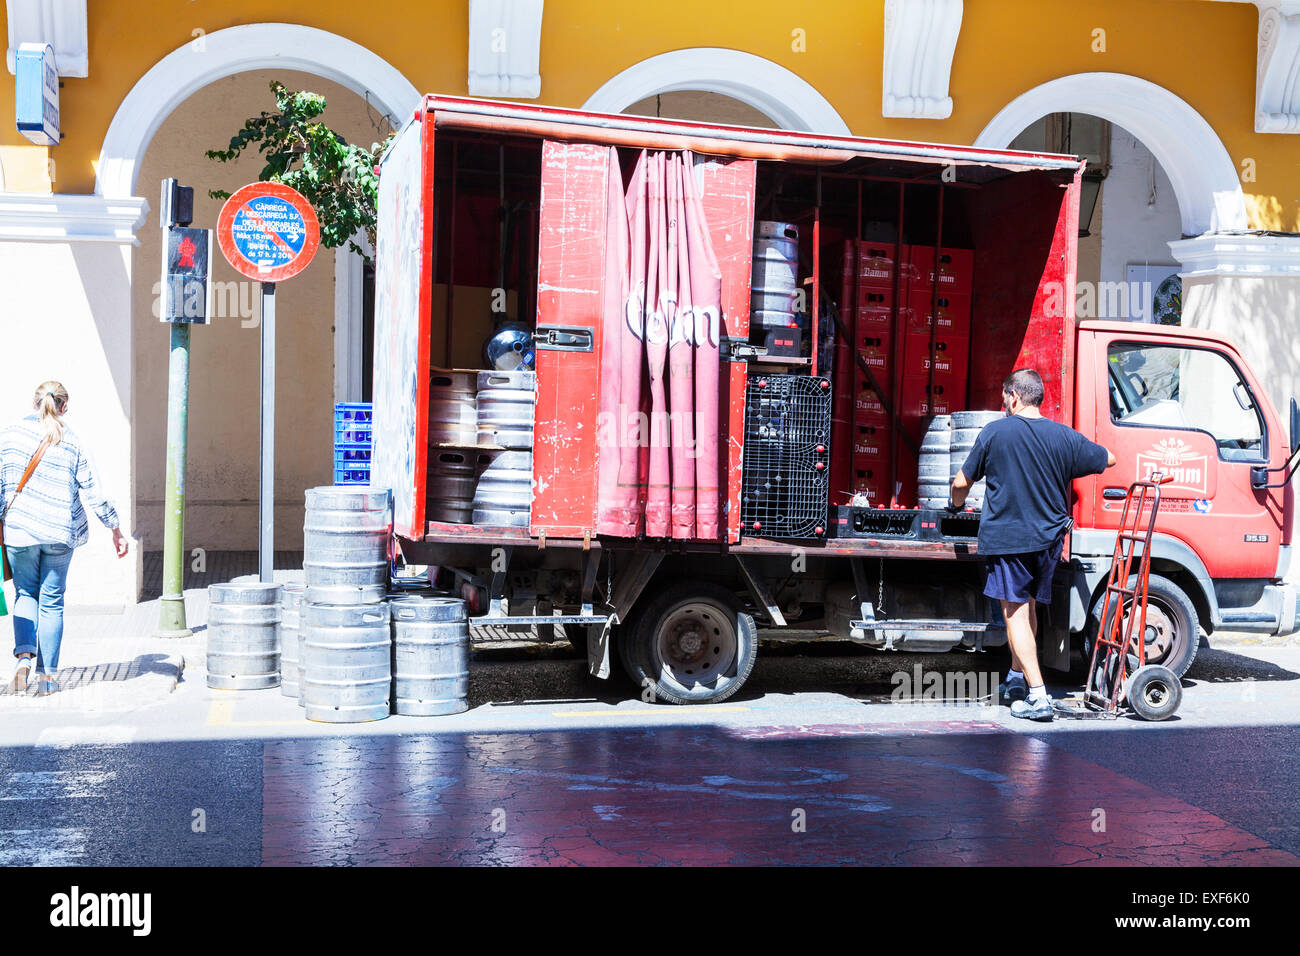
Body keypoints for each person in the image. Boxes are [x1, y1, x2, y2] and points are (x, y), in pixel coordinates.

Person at [949, 368, 1115, 721]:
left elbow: (962, 480)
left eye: (1004, 399)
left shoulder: (995, 432)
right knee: (1029, 609)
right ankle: (1016, 679)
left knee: (1014, 614)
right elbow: (1107, 458)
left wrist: (957, 503)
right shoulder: (1063, 437)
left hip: (1010, 539)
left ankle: (1039, 697)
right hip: (1048, 541)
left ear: (1012, 397)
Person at [2, 382, 129, 695]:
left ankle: (24, 659)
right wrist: (115, 528)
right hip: (59, 532)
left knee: (25, 594)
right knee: (52, 603)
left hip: (19, 532)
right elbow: (94, 493)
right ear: (64, 407)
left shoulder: (8, 436)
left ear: (34, 403)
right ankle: (47, 678)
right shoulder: (71, 440)